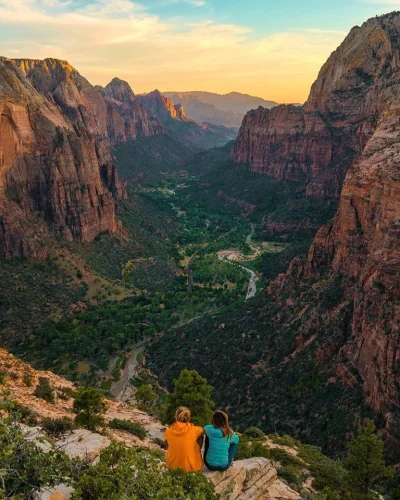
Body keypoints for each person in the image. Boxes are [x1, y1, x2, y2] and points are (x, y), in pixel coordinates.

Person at [164, 406, 204, 472]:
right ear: (188, 418)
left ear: (176, 416)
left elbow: (166, 444)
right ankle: (195, 458)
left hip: (172, 467)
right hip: (189, 468)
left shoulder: (168, 431)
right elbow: (201, 431)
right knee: (199, 437)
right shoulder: (194, 429)